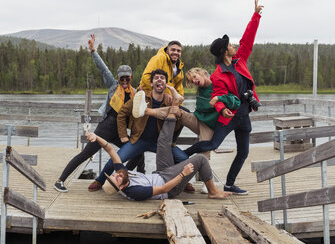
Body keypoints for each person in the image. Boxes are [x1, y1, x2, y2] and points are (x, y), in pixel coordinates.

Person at [183, 0, 264, 195]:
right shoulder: (218, 75)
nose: (233, 45)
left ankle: (229, 184)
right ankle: (181, 154)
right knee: (212, 144)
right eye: (229, 45)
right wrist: (221, 109)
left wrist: (255, 16)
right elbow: (218, 96)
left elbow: (248, 40)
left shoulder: (239, 60)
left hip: (244, 115)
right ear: (223, 50)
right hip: (229, 117)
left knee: (243, 152)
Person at [54, 34, 143, 193]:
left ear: (131, 78)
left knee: (137, 154)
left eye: (127, 78)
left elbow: (139, 110)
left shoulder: (135, 92)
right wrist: (93, 51)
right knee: (85, 154)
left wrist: (145, 95)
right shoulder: (112, 85)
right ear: (118, 77)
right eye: (121, 78)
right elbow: (103, 68)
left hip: (120, 131)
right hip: (106, 126)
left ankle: (121, 179)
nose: (124, 81)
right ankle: (60, 180)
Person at [86, 106, 231, 201]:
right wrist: (182, 174)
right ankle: (212, 191)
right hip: (170, 185)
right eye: (116, 178)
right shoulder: (135, 192)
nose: (117, 174)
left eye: (114, 175)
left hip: (160, 173)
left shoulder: (122, 175)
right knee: (200, 159)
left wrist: (95, 137)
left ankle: (173, 113)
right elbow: (163, 189)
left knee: (162, 142)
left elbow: (110, 150)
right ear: (122, 188)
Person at [88, 69, 189, 192]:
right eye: (156, 78)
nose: (159, 80)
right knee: (115, 159)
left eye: (162, 78)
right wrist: (123, 135)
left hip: (160, 143)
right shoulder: (140, 97)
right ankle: (100, 180)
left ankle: (184, 181)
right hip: (138, 140)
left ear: (166, 84)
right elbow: (122, 113)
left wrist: (172, 140)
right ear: (151, 83)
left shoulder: (169, 101)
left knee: (184, 159)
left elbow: (182, 118)